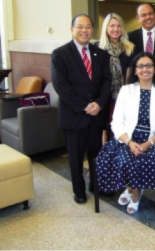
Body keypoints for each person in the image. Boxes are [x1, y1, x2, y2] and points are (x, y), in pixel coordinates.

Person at [95, 52, 155, 214]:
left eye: (149, 65)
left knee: (143, 160)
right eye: (140, 66)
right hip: (127, 139)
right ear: (135, 70)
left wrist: (147, 144)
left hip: (152, 141)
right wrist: (130, 143)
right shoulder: (126, 90)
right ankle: (134, 189)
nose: (145, 69)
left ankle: (134, 192)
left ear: (154, 69)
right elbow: (116, 121)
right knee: (125, 159)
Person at [51, 14, 112, 204]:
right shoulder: (60, 54)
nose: (84, 30)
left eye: (88, 27)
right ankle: (79, 191)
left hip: (96, 116)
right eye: (80, 27)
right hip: (74, 116)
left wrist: (99, 104)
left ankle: (95, 185)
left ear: (92, 30)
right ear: (72, 29)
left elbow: (107, 82)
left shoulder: (100, 54)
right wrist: (85, 106)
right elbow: (61, 85)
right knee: (76, 157)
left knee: (96, 154)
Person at [96, 13, 135, 142]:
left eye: (119, 26)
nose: (116, 29)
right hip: (102, 96)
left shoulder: (129, 48)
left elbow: (130, 76)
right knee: (102, 130)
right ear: (106, 28)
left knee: (120, 129)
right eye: (112, 26)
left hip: (122, 96)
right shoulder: (97, 48)